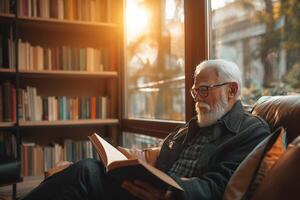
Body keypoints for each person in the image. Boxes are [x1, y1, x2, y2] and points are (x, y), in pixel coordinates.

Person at [20, 59, 270, 200]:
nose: (197, 98)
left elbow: (217, 188)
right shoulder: (192, 127)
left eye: (205, 89)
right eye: (195, 91)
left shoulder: (251, 132)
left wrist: (169, 191)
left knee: (85, 172)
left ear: (232, 91)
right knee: (80, 172)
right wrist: (132, 160)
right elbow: (161, 160)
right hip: (146, 190)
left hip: (168, 197)